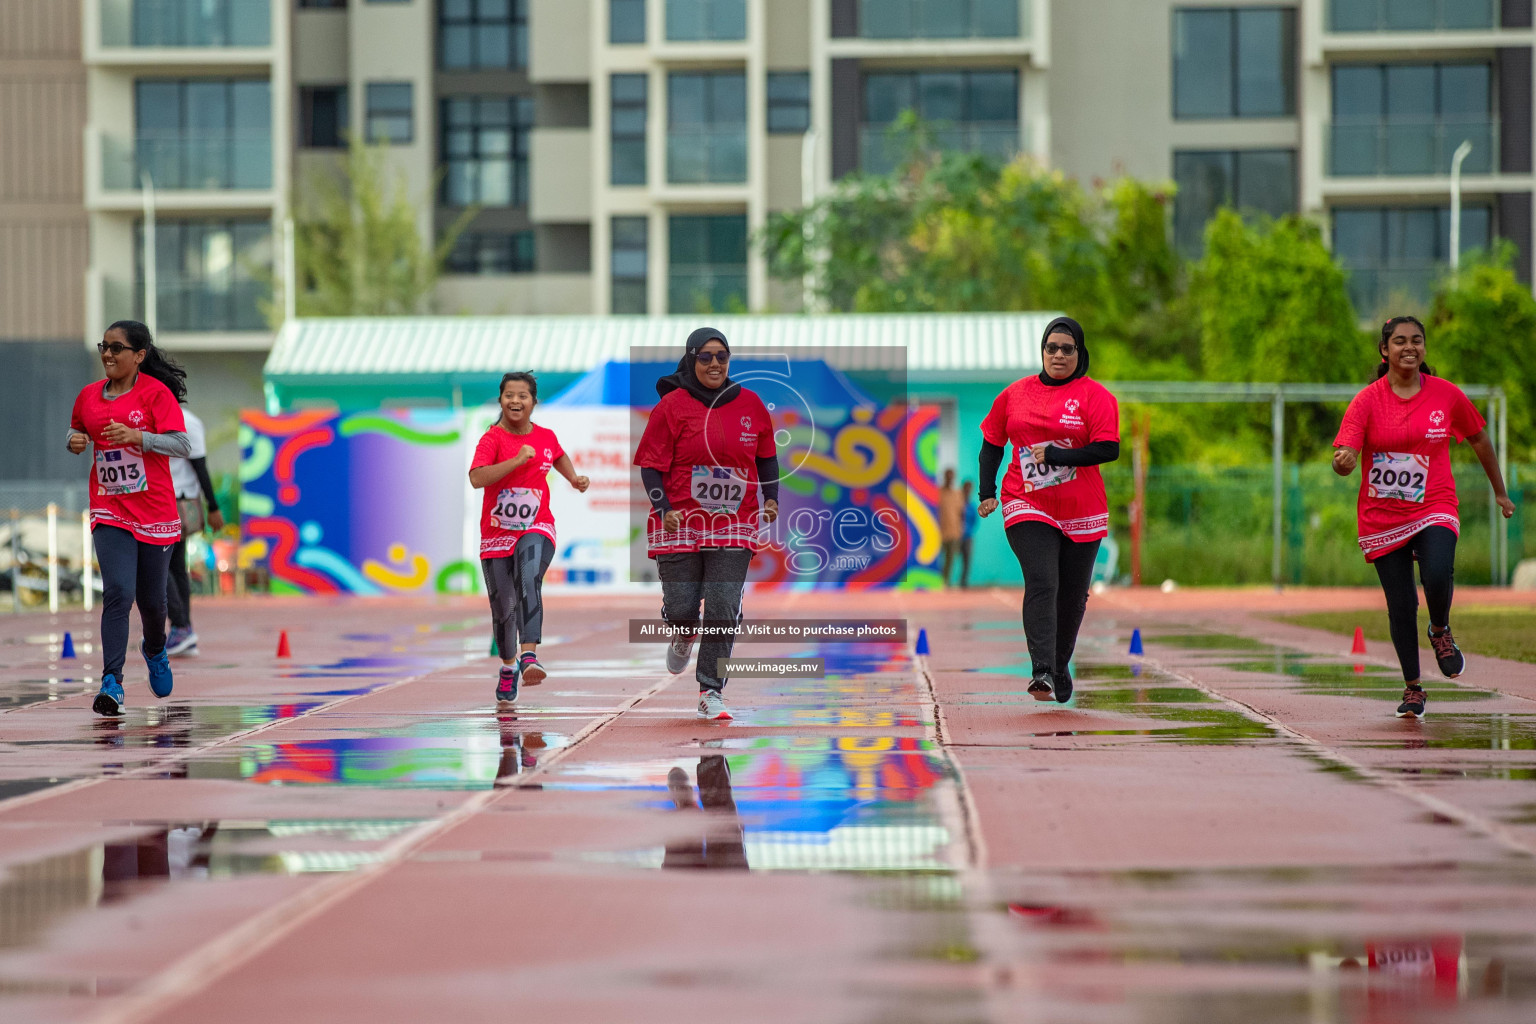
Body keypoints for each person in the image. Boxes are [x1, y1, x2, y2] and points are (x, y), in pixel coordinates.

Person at [1332, 316, 1516, 719]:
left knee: (1436, 572)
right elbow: (1344, 454)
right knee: (1400, 605)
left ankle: (1440, 630)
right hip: (1383, 516)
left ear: (1424, 349)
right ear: (1385, 350)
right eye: (1399, 341)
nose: (1409, 347)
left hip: (1434, 503)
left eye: (1417, 340)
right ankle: (1413, 688)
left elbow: (1479, 437)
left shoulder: (1446, 396)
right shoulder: (1367, 400)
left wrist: (1499, 490)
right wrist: (1344, 461)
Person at [633, 327, 779, 722]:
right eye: (705, 357)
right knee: (683, 607)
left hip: (736, 519)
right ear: (691, 358)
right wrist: (664, 509)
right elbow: (650, 466)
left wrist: (771, 499)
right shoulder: (672, 407)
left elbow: (766, 457)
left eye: (722, 356)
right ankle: (682, 629)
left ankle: (710, 691)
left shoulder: (750, 404)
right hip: (681, 519)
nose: (715, 364)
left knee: (721, 604)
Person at [978, 316, 1119, 704]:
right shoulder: (1014, 395)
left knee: (1073, 595)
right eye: (1051, 348)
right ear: (1042, 351)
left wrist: (1060, 454)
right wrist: (986, 491)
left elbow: (1109, 448)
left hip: (1081, 508)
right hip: (1026, 501)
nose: (1058, 355)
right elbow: (992, 442)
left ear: (1079, 353)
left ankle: (1058, 667)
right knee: (1043, 580)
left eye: (1066, 349)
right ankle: (1041, 670)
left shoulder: (1096, 397)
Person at [67, 320, 191, 716]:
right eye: (104, 346)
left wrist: (141, 438)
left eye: (117, 348)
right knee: (118, 592)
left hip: (155, 512)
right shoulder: (88, 396)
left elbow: (183, 444)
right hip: (110, 508)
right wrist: (73, 440)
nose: (107, 354)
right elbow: (76, 430)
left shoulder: (156, 395)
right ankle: (112, 682)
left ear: (139, 356)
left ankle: (155, 649)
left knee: (153, 604)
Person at [469, 372, 589, 706]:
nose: (515, 401)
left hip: (538, 525)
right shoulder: (491, 439)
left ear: (534, 401)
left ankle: (530, 656)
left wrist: (573, 478)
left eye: (523, 396)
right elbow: (477, 478)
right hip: (496, 535)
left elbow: (558, 454)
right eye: (509, 395)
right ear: (500, 400)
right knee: (503, 610)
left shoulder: (546, 436)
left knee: (528, 573)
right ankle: (508, 668)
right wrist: (516, 460)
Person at [165, 403, 224, 657]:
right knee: (176, 566)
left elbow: (201, 467)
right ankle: (183, 627)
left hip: (176, 501)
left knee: (157, 566)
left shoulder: (185, 421)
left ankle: (181, 626)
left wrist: (213, 506)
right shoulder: (179, 419)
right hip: (176, 499)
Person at [937, 468, 964, 587]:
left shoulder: (957, 493)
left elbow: (961, 513)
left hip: (954, 531)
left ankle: (945, 582)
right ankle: (936, 581)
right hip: (938, 532)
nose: (950, 478)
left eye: (951, 476)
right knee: (937, 558)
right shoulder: (938, 492)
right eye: (948, 476)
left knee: (950, 559)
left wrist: (960, 529)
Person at [958, 480, 977, 589]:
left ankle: (963, 582)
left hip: (968, 536)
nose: (968, 491)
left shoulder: (971, 506)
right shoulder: (958, 503)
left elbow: (975, 520)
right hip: (956, 535)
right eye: (966, 488)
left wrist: (968, 530)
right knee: (951, 558)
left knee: (966, 560)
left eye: (970, 489)